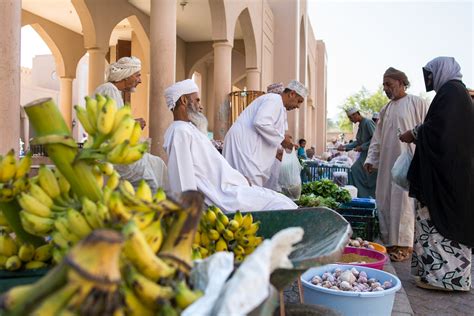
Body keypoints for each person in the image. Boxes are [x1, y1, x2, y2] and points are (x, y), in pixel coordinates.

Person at [163, 79, 297, 212]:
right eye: (197, 100)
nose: (201, 106)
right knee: (281, 205)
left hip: (231, 188)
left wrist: (239, 179)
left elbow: (215, 165)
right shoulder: (179, 131)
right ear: (184, 101)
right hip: (222, 196)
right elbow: (182, 176)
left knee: (282, 201)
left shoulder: (189, 129)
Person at [399, 57, 474, 291]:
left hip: (445, 180)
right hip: (446, 176)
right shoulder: (453, 93)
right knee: (431, 227)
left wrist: (414, 133)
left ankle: (447, 280)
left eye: (430, 75)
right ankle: (434, 277)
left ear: (442, 71)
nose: (429, 80)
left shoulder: (452, 93)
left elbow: (440, 131)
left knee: (439, 227)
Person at [364, 67, 429, 262]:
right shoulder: (385, 109)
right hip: (386, 165)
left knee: (403, 203)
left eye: (389, 84)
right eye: (384, 85)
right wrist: (371, 159)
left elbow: (429, 128)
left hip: (408, 163)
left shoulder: (418, 103)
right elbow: (377, 137)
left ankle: (404, 246)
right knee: (385, 200)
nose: (385, 88)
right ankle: (390, 243)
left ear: (401, 83)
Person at [94, 56, 168, 192]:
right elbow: (108, 127)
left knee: (159, 164)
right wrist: (134, 125)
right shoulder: (108, 90)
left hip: (120, 149)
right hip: (114, 153)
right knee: (149, 181)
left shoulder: (114, 92)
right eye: (137, 75)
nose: (140, 80)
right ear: (126, 76)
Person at [223, 80, 308, 187]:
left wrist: (278, 150)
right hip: (243, 147)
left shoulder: (279, 106)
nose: (298, 106)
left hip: (248, 147)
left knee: (247, 187)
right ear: (292, 94)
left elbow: (268, 131)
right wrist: (282, 140)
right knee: (245, 185)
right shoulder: (274, 99)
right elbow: (261, 122)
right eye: (299, 101)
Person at [337, 107, 377, 198]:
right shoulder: (361, 125)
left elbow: (376, 139)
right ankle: (357, 196)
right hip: (364, 155)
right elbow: (358, 142)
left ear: (356, 114)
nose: (351, 120)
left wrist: (362, 147)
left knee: (369, 178)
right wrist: (345, 147)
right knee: (354, 170)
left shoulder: (368, 122)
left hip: (371, 155)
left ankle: (369, 197)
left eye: (351, 118)